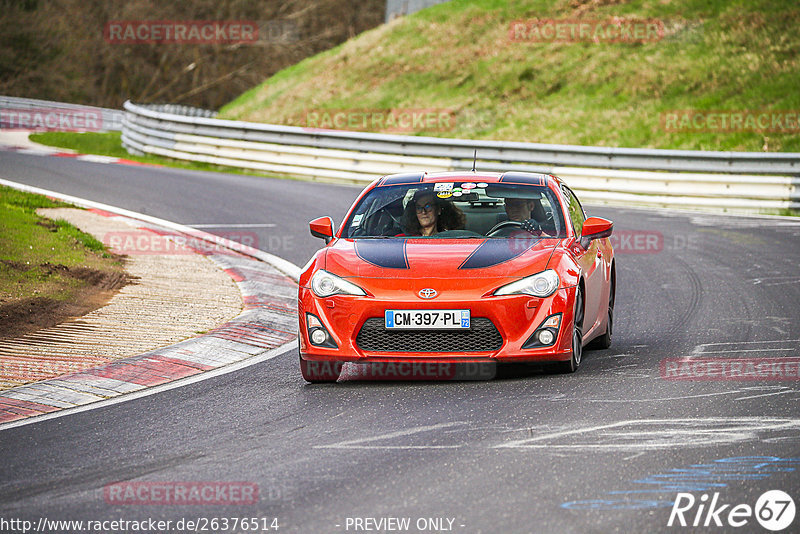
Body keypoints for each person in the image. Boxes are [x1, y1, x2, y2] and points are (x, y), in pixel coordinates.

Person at [401, 190, 465, 236]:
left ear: (438, 210)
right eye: (419, 208)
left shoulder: (450, 239)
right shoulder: (402, 239)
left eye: (428, 206)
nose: (423, 212)